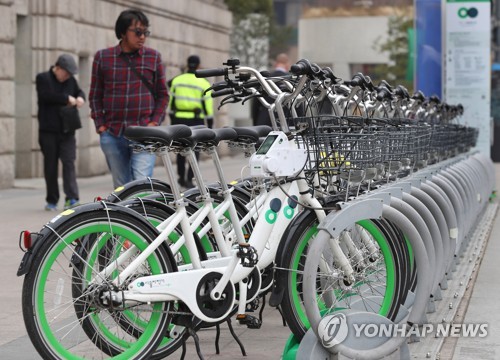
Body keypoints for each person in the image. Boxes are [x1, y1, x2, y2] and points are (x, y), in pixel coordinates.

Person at [89, 9, 168, 188]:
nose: (142, 37)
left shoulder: (153, 57)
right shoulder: (103, 57)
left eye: (145, 33)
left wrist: (154, 123)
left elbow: (163, 95)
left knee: (141, 184)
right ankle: (123, 216)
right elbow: (95, 95)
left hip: (144, 133)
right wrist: (101, 126)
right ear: (123, 32)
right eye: (138, 32)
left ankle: (140, 215)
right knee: (121, 187)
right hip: (113, 133)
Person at [36, 54, 85, 211]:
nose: (67, 76)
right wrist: (66, 99)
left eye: (70, 74)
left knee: (69, 162)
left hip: (67, 130)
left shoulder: (71, 81)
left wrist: (81, 98)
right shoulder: (43, 78)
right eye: (66, 73)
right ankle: (52, 200)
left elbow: (79, 92)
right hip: (48, 131)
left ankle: (72, 198)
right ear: (58, 68)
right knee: (50, 166)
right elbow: (46, 96)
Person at [168, 55, 214, 188]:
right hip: (196, 120)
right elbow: (208, 105)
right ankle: (189, 179)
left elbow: (172, 102)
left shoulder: (177, 80)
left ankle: (181, 178)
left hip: (178, 119)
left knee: (179, 148)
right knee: (195, 149)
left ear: (187, 64)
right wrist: (209, 123)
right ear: (199, 66)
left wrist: (172, 118)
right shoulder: (203, 83)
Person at [251, 53, 291, 127]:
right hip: (287, 123)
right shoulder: (291, 80)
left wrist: (255, 122)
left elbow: (256, 103)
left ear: (276, 64)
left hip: (264, 122)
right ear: (287, 65)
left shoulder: (264, 79)